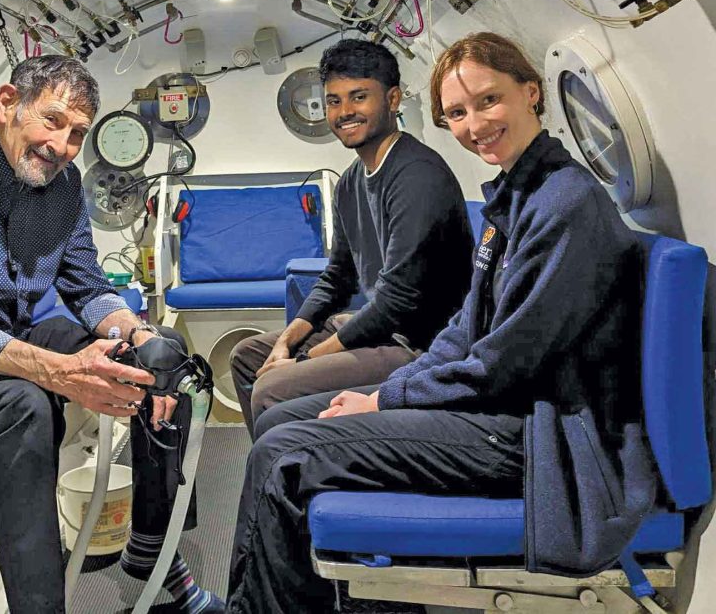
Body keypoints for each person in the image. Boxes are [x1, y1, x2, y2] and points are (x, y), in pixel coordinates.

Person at [226, 33, 655, 612]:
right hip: (500, 405)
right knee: (281, 425)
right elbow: (466, 328)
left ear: (531, 92)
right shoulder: (516, 198)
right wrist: (383, 393)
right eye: (457, 112)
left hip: (539, 433)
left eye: (488, 100)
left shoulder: (564, 205)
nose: (475, 124)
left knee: (283, 452)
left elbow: (502, 364)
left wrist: (385, 398)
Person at [0, 55, 221, 614]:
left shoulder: (65, 185)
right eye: (52, 121)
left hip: (13, 334)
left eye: (77, 133)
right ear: (8, 103)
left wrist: (137, 333)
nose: (62, 146)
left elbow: (87, 286)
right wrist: (63, 373)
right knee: (25, 404)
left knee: (158, 358)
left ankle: (152, 547)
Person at [230, 38, 472, 436]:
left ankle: (295, 463)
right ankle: (277, 459)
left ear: (392, 99)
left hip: (419, 345)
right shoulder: (350, 182)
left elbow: (397, 304)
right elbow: (337, 278)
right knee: (248, 357)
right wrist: (286, 342)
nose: (344, 112)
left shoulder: (417, 176)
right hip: (380, 331)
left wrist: (305, 360)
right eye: (334, 101)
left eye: (359, 97)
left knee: (272, 388)